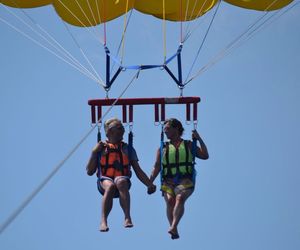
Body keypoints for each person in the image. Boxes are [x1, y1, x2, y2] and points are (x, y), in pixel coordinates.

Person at [86, 118, 156, 232]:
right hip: (105, 180)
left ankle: (127, 217)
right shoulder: (100, 148)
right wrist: (94, 153)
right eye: (119, 128)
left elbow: (138, 170)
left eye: (122, 128)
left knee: (120, 181)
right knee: (111, 186)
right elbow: (90, 171)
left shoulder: (127, 148)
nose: (122, 130)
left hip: (122, 180)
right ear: (109, 131)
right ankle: (103, 221)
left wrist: (149, 184)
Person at [148, 118, 209, 239]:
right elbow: (156, 167)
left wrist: (199, 138)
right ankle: (173, 228)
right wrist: (149, 183)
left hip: (185, 180)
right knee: (170, 201)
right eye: (164, 129)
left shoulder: (189, 144)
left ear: (176, 129)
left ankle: (174, 226)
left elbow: (205, 155)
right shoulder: (162, 148)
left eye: (168, 128)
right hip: (168, 180)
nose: (165, 131)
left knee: (179, 198)